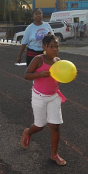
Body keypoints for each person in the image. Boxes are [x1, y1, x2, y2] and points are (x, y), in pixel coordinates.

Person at [20, 34, 67, 166]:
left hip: (54, 97)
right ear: (44, 47)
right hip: (39, 97)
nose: (54, 49)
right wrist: (39, 74)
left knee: (55, 126)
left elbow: (64, 76)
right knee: (39, 126)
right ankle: (28, 133)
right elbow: (26, 75)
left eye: (56, 46)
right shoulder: (38, 59)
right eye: (51, 46)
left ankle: (54, 155)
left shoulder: (58, 61)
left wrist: (70, 75)